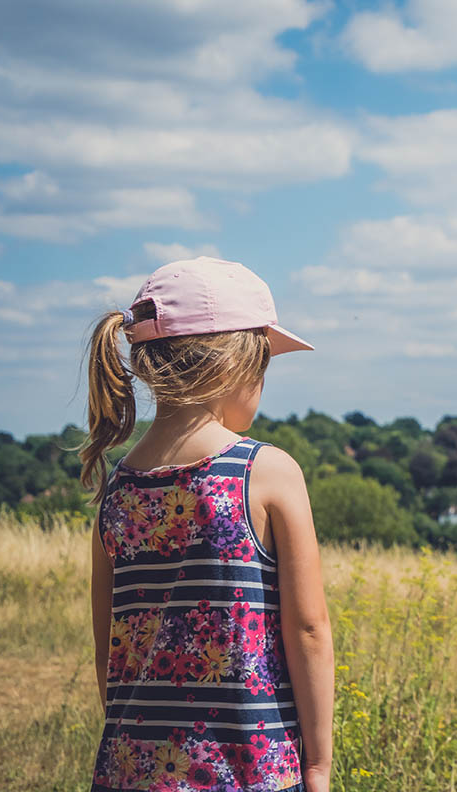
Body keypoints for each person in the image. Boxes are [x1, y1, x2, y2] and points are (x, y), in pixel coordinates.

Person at [81, 256, 334, 792]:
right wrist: (318, 764)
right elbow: (308, 629)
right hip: (248, 771)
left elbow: (109, 649)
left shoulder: (119, 486)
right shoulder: (265, 472)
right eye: (264, 367)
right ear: (234, 367)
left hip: (132, 771)